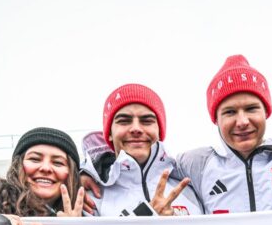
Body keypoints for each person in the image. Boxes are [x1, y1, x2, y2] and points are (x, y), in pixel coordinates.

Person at [178, 54, 272, 213]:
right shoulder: (194, 165)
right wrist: (153, 213)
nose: (242, 122)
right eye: (230, 112)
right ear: (216, 120)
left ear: (266, 112)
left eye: (251, 109)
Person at [80, 84, 201, 217]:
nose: (136, 128)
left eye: (147, 121)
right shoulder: (89, 196)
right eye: (124, 121)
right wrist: (149, 214)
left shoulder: (189, 187)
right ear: (109, 133)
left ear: (160, 131)